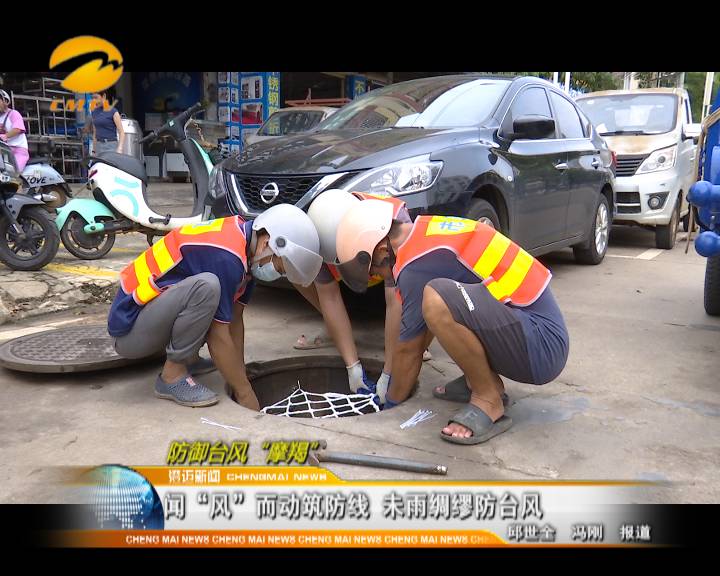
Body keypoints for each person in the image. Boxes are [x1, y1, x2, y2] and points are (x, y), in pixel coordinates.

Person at [335, 201, 570, 445]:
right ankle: (477, 377)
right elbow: (421, 327)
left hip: (542, 345)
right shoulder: (424, 232)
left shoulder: (414, 265)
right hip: (532, 327)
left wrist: (391, 402)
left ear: (383, 250)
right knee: (440, 302)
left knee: (437, 301)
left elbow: (410, 349)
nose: (376, 276)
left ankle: (488, 397)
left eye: (372, 269)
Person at [107, 204, 323, 410]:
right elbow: (218, 337)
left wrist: (240, 373)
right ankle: (172, 375)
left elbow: (235, 319)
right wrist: (245, 393)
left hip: (150, 319)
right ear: (267, 243)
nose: (277, 274)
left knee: (213, 297)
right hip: (130, 331)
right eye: (279, 268)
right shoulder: (226, 257)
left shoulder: (246, 251)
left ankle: (188, 358)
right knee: (207, 288)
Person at [292, 189, 409, 401]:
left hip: (381, 277)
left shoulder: (392, 221)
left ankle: (410, 335)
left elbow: (395, 301)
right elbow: (330, 297)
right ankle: (339, 332)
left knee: (409, 337)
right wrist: (352, 366)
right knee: (295, 269)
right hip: (352, 282)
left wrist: (390, 371)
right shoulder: (317, 236)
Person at [0, 89, 29, 171]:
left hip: (18, 150)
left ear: (5, 101)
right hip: (3, 150)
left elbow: (18, 129)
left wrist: (5, 136)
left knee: (14, 172)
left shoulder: (13, 114)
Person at [90, 90, 125, 155]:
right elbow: (95, 133)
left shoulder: (113, 111)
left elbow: (121, 132)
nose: (94, 100)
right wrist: (93, 151)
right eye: (92, 98)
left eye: (96, 98)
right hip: (98, 146)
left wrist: (120, 148)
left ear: (104, 96)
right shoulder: (93, 112)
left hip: (111, 146)